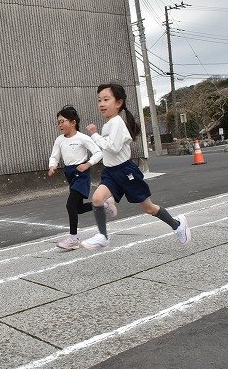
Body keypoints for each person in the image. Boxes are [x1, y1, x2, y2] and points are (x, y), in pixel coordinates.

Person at [80, 83, 190, 249]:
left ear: (119, 103)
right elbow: (108, 150)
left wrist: (94, 135)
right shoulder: (108, 125)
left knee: (149, 208)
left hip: (126, 171)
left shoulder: (117, 123)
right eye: (99, 100)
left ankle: (177, 225)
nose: (101, 103)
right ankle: (103, 236)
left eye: (106, 99)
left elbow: (113, 148)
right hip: (111, 172)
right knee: (96, 199)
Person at [48, 105, 104, 250]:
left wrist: (88, 164)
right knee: (78, 208)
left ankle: (73, 238)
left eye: (63, 121)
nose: (60, 125)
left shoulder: (82, 138)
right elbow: (54, 156)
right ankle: (102, 205)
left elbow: (98, 152)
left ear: (73, 122)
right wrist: (52, 165)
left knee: (70, 205)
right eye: (58, 122)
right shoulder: (59, 140)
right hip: (70, 174)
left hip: (81, 174)